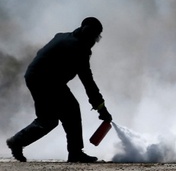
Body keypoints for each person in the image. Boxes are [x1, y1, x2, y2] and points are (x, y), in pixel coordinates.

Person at [6, 17, 112, 163]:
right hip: (47, 81)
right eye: (96, 37)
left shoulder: (62, 36)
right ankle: (75, 153)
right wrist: (102, 109)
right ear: (90, 34)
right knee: (71, 110)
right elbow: (88, 83)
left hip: (34, 76)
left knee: (47, 120)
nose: (95, 42)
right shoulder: (80, 49)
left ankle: (17, 141)